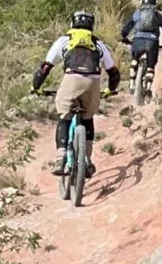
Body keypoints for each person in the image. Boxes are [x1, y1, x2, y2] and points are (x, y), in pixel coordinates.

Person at [33, 10, 119, 180]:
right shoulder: (98, 44)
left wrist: (36, 87)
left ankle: (61, 158)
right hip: (93, 82)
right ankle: (86, 160)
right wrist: (110, 89)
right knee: (87, 118)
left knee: (64, 116)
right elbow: (113, 72)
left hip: (71, 79)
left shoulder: (64, 41)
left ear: (72, 23)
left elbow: (45, 67)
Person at [121, 0, 162, 84]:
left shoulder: (137, 13)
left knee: (135, 58)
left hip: (138, 40)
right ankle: (148, 86)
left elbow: (127, 27)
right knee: (150, 66)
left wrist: (124, 36)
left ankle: (132, 81)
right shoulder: (157, 15)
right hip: (152, 42)